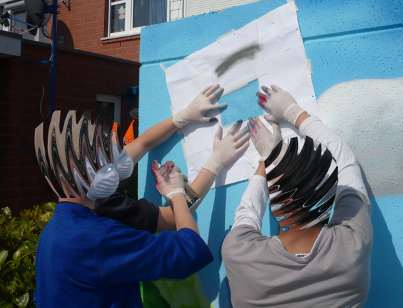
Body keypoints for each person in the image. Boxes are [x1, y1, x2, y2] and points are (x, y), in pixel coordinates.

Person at [33, 84, 250, 308]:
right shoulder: (102, 231)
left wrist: (181, 118)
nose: (116, 167)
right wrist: (210, 167)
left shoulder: (55, 229)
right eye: (107, 164)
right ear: (88, 175)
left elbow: (141, 144)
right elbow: (187, 246)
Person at [222, 85, 372, 308]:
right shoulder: (353, 245)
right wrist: (291, 110)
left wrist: (269, 160)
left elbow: (248, 213)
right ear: (332, 199)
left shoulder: (238, 252)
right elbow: (344, 160)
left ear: (278, 204)